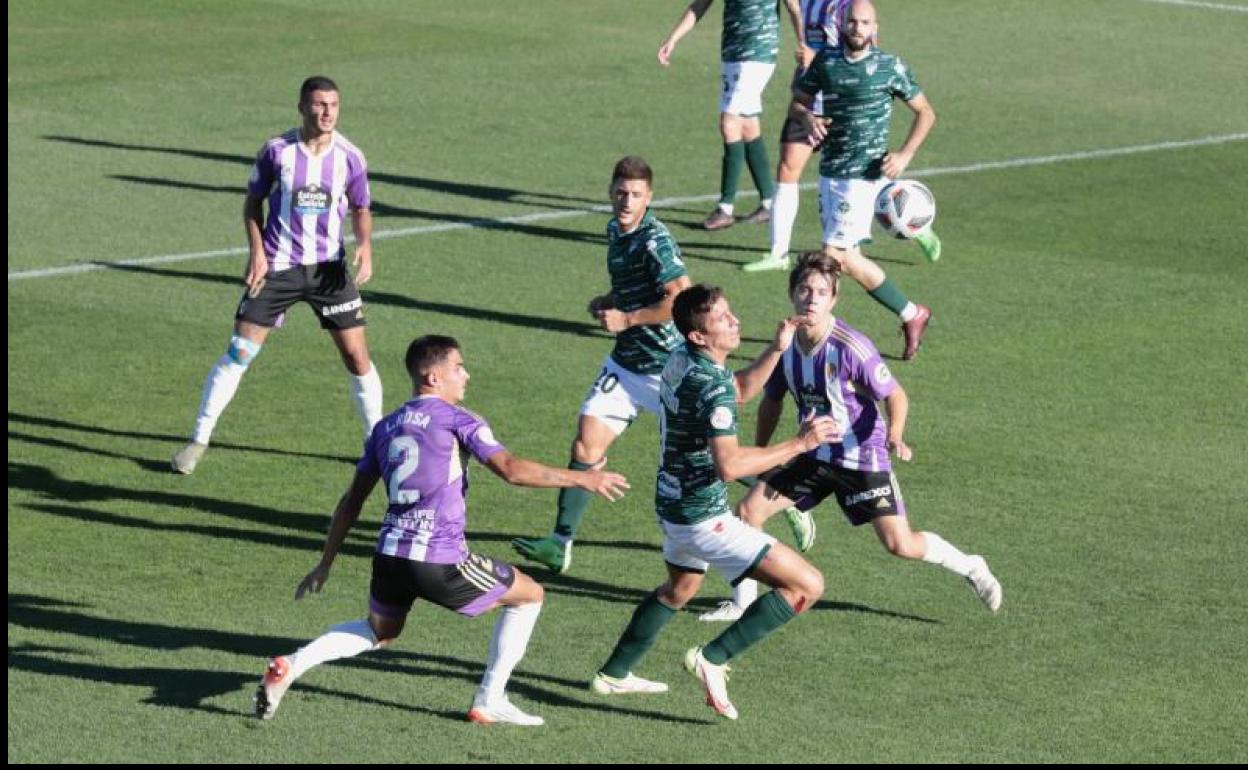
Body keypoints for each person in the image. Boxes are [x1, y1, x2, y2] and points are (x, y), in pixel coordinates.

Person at [252, 336, 630, 727]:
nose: (465, 374)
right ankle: (490, 699)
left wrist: (325, 562)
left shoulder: (385, 427)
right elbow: (512, 470)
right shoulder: (458, 419)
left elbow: (351, 502)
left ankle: (292, 664)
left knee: (378, 632)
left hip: (390, 557)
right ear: (433, 376)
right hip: (437, 558)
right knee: (529, 596)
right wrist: (583, 479)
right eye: (458, 367)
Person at [698, 253, 1001, 623]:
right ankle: (742, 602)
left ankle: (971, 566)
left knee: (899, 544)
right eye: (805, 290)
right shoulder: (785, 345)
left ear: (834, 300)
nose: (812, 298)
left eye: (821, 292)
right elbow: (771, 400)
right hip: (813, 453)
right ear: (792, 294)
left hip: (862, 459)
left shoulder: (850, 347)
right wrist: (763, 454)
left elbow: (896, 394)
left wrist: (896, 434)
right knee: (746, 513)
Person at [590, 284, 840, 721]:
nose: (734, 320)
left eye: (730, 312)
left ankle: (613, 674)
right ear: (699, 336)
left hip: (672, 502)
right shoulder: (709, 385)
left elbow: (737, 390)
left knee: (680, 589)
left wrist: (775, 351)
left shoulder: (683, 360)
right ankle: (714, 658)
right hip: (702, 517)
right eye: (722, 318)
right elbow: (730, 465)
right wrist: (800, 444)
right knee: (807, 585)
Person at [172, 76, 383, 474]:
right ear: (302, 107)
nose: (327, 113)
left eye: (334, 105)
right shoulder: (277, 151)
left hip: (328, 271)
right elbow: (252, 204)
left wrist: (366, 245)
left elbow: (361, 206)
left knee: (357, 356)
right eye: (319, 105)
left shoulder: (350, 156)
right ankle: (198, 440)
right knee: (239, 353)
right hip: (278, 267)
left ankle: (376, 444)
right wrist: (256, 254)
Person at [511, 157, 691, 574]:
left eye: (636, 195)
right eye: (621, 193)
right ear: (610, 191)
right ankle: (560, 544)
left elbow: (680, 300)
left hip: (665, 369)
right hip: (625, 366)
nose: (627, 202)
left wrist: (627, 318)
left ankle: (774, 493)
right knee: (585, 444)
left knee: (708, 455)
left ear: (650, 198)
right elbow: (637, 283)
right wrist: (613, 298)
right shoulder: (615, 229)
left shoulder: (655, 241)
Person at [749, 0, 938, 361]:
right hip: (831, 174)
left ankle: (812, 333)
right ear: (842, 23)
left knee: (830, 258)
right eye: (853, 22)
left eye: (865, 23)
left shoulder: (889, 66)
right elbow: (798, 103)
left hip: (862, 177)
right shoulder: (827, 62)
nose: (858, 28)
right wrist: (807, 119)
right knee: (849, 259)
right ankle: (913, 314)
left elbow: (926, 113)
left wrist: (905, 154)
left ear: (875, 27)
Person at [657, 0, 804, 231]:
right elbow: (701, 4)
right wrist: (673, 38)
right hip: (732, 52)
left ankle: (725, 208)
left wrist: (804, 45)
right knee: (747, 126)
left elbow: (794, 6)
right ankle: (768, 202)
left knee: (729, 122)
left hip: (758, 52)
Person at [741, 0, 859, 272]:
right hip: (808, 103)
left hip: (841, 104)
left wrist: (815, 60)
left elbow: (863, 55)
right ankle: (778, 253)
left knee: (867, 171)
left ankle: (912, 220)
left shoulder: (849, 7)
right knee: (786, 170)